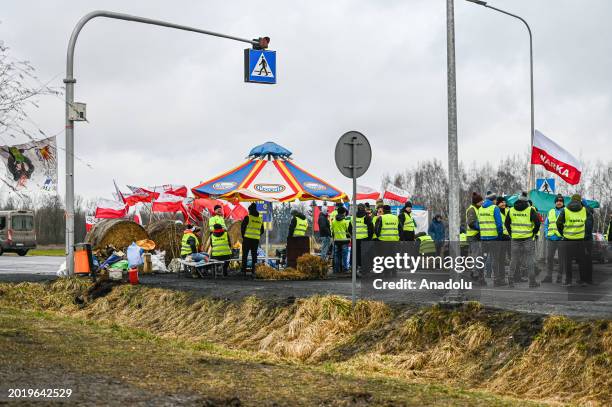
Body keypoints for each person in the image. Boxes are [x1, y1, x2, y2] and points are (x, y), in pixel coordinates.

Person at [505, 192, 541, 288]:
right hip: (527, 238)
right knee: (529, 259)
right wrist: (534, 232)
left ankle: (510, 281)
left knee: (514, 259)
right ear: (526, 201)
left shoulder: (511, 210)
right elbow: (537, 223)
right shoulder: (530, 210)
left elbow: (506, 223)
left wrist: (511, 233)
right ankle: (532, 282)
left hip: (515, 238)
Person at [556, 194, 592, 285]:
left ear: (571, 200)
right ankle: (583, 281)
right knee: (582, 261)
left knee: (568, 261)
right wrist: (586, 234)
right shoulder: (585, 210)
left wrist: (562, 234)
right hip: (580, 239)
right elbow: (590, 223)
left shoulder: (565, 210)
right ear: (580, 201)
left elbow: (558, 223)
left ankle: (568, 281)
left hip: (568, 239)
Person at [479, 192, 504, 286]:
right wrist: (500, 235)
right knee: (495, 259)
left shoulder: (481, 208)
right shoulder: (494, 208)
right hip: (494, 238)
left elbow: (479, 223)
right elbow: (499, 224)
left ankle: (481, 278)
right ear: (493, 200)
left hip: (484, 238)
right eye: (495, 200)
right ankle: (496, 280)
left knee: (483, 258)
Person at [542, 194, 565, 283]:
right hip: (551, 238)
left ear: (562, 202)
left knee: (561, 259)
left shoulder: (566, 211)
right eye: (557, 201)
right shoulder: (551, 211)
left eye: (560, 201)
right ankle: (549, 276)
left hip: (561, 239)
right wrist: (547, 234)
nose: (559, 202)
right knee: (549, 258)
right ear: (555, 203)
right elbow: (546, 224)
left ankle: (559, 277)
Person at [240, 203, 264, 275]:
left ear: (250, 210)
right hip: (255, 240)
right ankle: (254, 271)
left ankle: (243, 271)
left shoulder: (248, 218)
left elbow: (242, 228)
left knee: (245, 255)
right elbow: (262, 230)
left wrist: (244, 236)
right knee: (254, 256)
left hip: (247, 239)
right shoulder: (260, 219)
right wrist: (257, 235)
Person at [466, 192, 483, 280]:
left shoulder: (477, 208)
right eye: (481, 201)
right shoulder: (472, 209)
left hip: (476, 235)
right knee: (476, 255)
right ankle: (474, 273)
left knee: (477, 255)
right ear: (477, 201)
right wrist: (481, 228)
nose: (482, 202)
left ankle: (475, 272)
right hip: (473, 235)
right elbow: (471, 223)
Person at [353, 203, 374, 268]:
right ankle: (365, 267)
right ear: (364, 208)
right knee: (365, 254)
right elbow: (371, 229)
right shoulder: (367, 217)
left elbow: (350, 228)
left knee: (356, 254)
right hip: (365, 238)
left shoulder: (354, 217)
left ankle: (356, 267)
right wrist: (369, 238)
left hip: (355, 239)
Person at [331, 206, 350, 273]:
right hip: (344, 241)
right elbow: (348, 231)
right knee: (344, 256)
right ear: (344, 213)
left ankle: (336, 269)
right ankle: (345, 269)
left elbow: (332, 231)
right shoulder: (345, 221)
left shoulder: (333, 221)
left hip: (336, 240)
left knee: (336, 256)